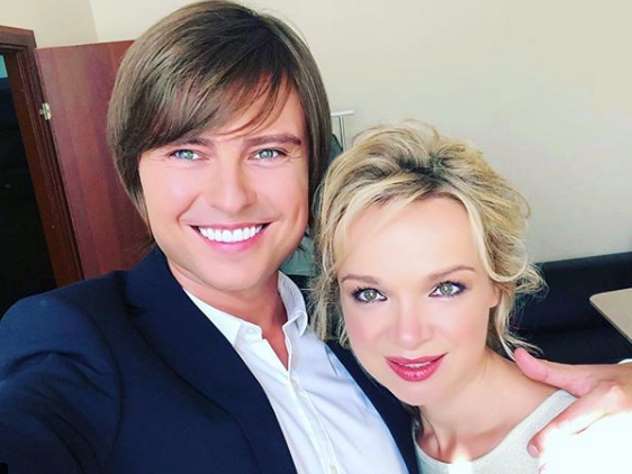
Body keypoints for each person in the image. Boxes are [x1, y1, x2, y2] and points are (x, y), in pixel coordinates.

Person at [0, 2, 630, 473]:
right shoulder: (74, 343)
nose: (230, 196)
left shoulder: (351, 327)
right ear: (133, 171)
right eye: (187, 152)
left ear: (311, 168)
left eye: (268, 151)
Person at [310, 122, 628, 472]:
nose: (408, 334)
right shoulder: (372, 431)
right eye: (370, 294)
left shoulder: (589, 447)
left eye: (445, 288)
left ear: (498, 284)